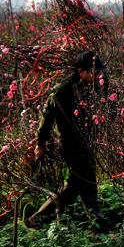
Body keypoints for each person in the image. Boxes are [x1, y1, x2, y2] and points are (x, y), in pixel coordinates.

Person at [29, 50, 110, 234]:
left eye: (99, 72)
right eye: (94, 72)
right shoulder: (62, 90)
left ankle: (39, 218)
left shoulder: (92, 86)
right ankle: (100, 229)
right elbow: (46, 117)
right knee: (89, 185)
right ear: (81, 71)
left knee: (73, 187)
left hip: (86, 141)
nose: (98, 75)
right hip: (71, 144)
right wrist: (40, 144)